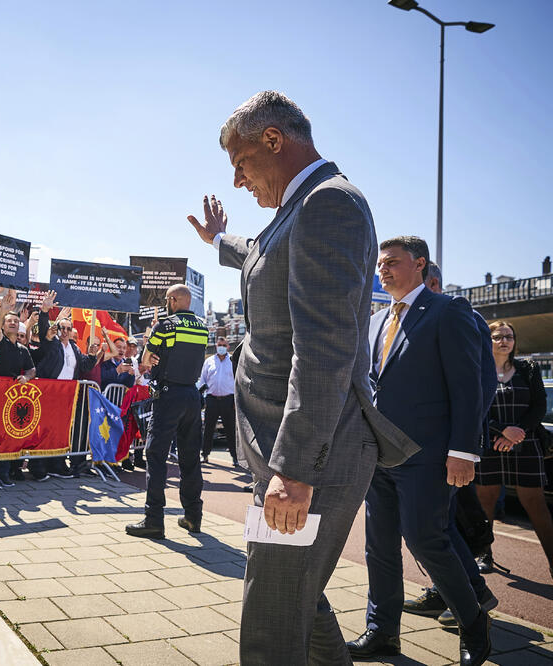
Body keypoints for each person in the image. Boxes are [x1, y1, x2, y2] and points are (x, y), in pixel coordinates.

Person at [186, 91, 418, 664]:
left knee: (271, 615)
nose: (238, 181)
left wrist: (292, 469)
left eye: (241, 163)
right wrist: (218, 240)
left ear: (273, 139)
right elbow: (260, 252)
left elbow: (325, 350)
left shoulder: (328, 204)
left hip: (315, 452)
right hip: (297, 447)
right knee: (299, 600)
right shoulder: (299, 211)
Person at [347, 236, 491, 666]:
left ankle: (473, 621)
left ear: (420, 264)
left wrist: (463, 450)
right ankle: (382, 632)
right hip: (379, 454)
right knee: (379, 546)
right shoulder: (373, 321)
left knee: (427, 540)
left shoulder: (447, 311)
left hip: (428, 454)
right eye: (380, 264)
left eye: (392, 262)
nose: (383, 270)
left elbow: (470, 387)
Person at [403, 262, 499, 626]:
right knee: (434, 524)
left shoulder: (458, 313)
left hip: (444, 449)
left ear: (432, 283)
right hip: (421, 447)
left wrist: (460, 446)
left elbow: (479, 384)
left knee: (437, 525)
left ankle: (473, 593)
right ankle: (447, 590)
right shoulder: (415, 320)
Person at [125, 284, 208, 539]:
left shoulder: (166, 325)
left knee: (156, 455)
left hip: (168, 394)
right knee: (190, 459)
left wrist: (154, 350)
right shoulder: (203, 326)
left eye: (166, 299)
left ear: (172, 300)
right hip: (192, 396)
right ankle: (193, 516)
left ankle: (154, 520)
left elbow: (146, 359)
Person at [476, 320, 553, 580]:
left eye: (508, 336)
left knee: (536, 505)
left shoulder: (528, 369)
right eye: (497, 336)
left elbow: (539, 407)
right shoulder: (479, 370)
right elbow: (476, 409)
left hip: (526, 442)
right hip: (491, 443)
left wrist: (517, 432)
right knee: (485, 503)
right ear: (488, 341)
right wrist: (501, 431)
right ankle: (484, 554)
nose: (504, 340)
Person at [32, 291, 98, 480]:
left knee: (62, 431)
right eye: (62, 328)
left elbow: (84, 366)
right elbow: (44, 327)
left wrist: (92, 355)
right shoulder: (51, 343)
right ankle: (39, 467)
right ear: (57, 329)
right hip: (49, 393)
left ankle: (58, 465)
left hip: (68, 396)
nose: (65, 332)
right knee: (44, 430)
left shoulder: (75, 348)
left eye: (69, 329)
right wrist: (45, 310)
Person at [0, 291, 36, 488]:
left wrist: (27, 377)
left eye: (15, 321)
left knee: (5, 436)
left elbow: (32, 369)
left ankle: (4, 473)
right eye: (8, 321)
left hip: (11, 399)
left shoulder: (23, 349)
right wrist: (2, 311)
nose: (12, 323)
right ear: (3, 325)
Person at [198, 336, 236, 467]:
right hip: (212, 399)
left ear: (228, 347)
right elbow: (203, 380)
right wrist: (201, 397)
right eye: (220, 345)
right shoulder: (209, 361)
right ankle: (205, 455)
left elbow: (238, 381)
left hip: (228, 400)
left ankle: (235, 458)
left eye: (224, 345)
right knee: (208, 429)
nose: (221, 347)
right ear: (216, 345)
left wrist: (236, 401)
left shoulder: (232, 361)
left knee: (230, 430)